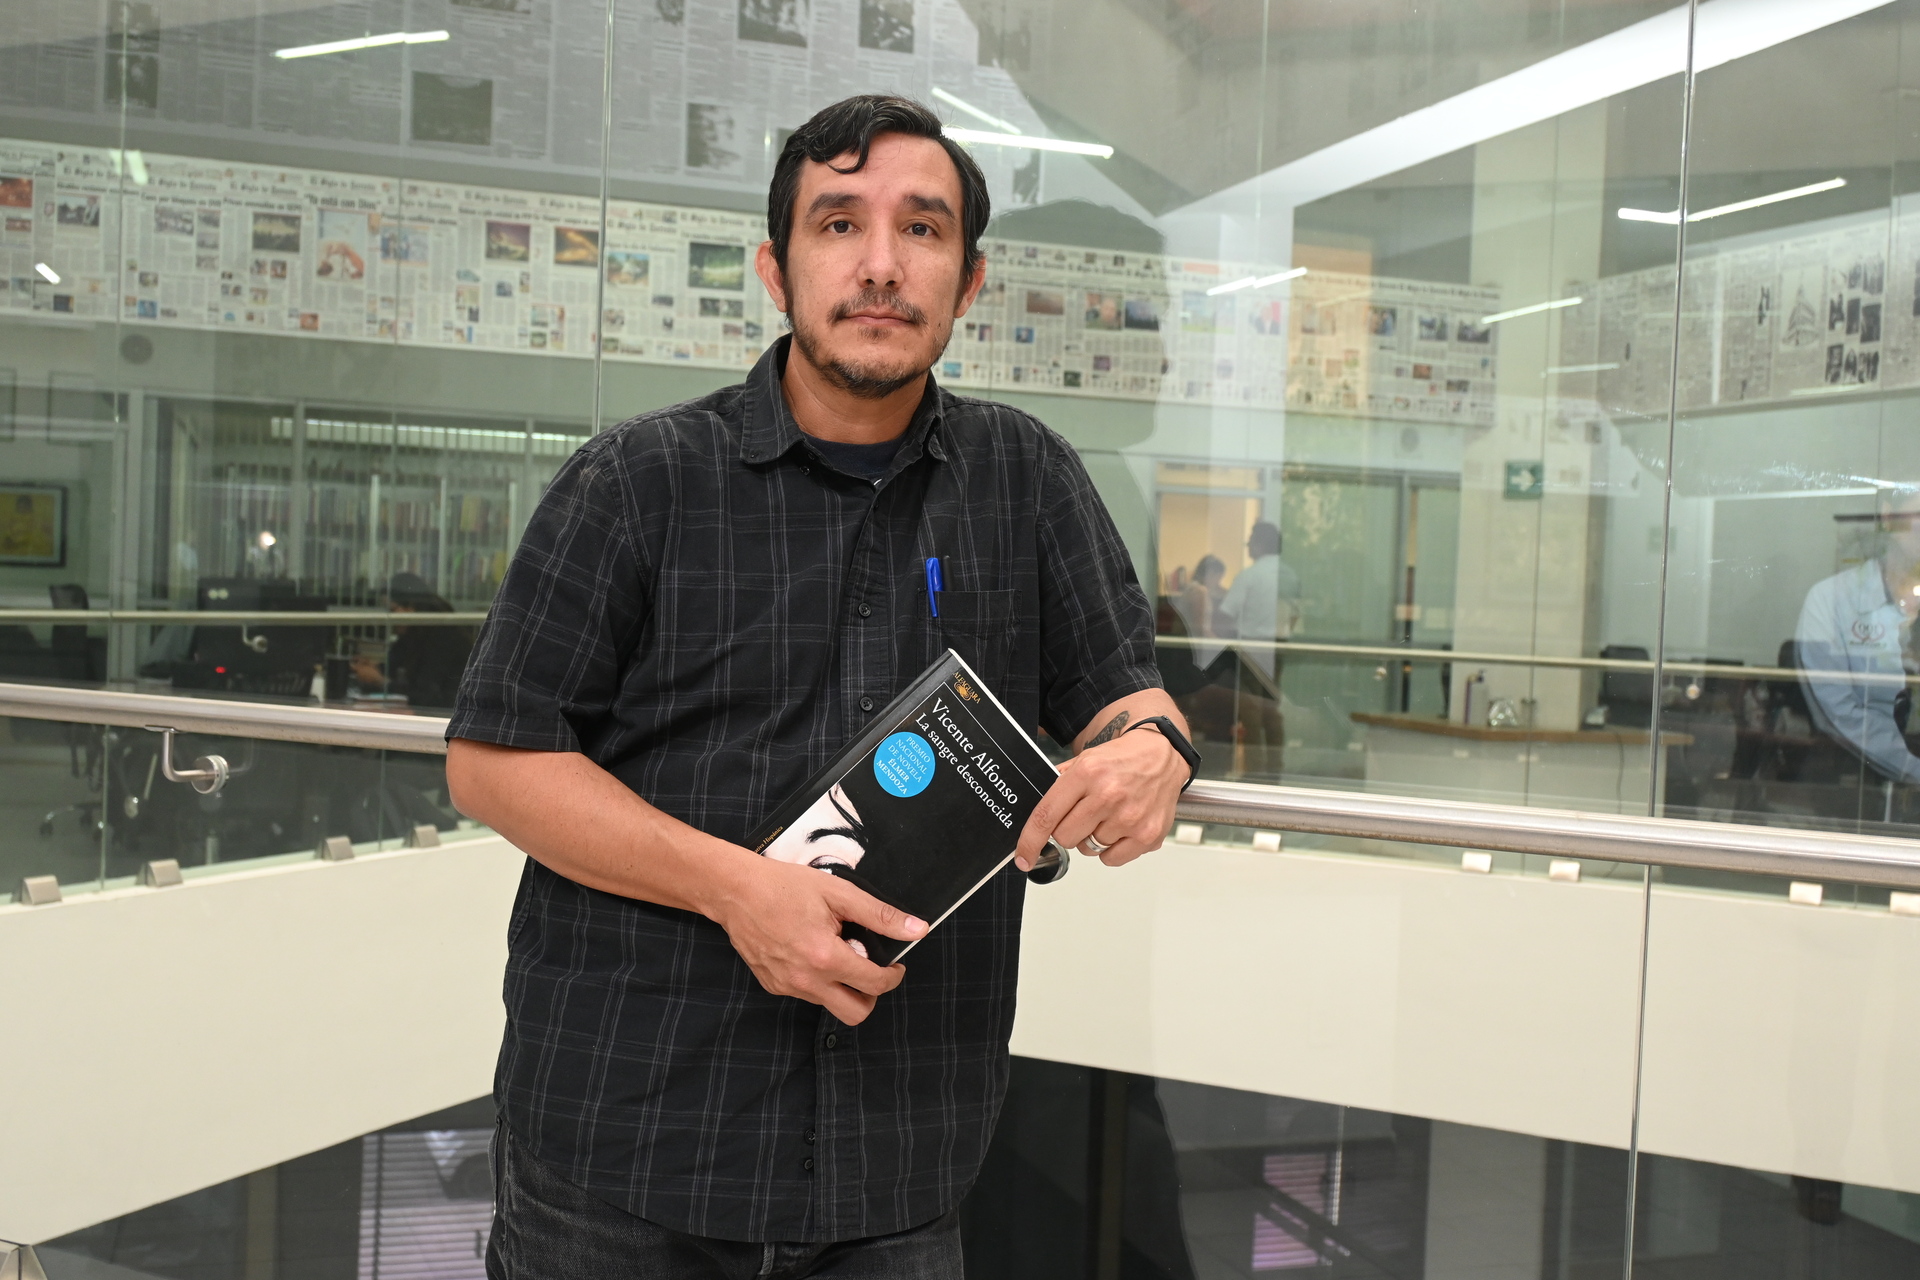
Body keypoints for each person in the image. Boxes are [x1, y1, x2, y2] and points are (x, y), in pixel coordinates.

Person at [443, 95, 1198, 1278]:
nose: (881, 264)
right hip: (625, 1146)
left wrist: (1153, 747)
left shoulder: (1027, 478)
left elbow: (1125, 694)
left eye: (923, 229)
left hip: (896, 1166)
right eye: (840, 224)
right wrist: (738, 889)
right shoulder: (638, 481)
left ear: (969, 279)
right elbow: (493, 761)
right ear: (776, 269)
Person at [1794, 485, 1920, 794]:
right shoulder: (1831, 600)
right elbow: (1839, 714)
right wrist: (1914, 770)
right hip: (1851, 787)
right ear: (1888, 518)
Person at [1217, 521, 1300, 780]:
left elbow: (1226, 614)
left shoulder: (1250, 576)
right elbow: (1295, 615)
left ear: (1261, 543)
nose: (1248, 546)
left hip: (1252, 646)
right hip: (1278, 646)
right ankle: (1275, 768)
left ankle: (1254, 771)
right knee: (1271, 708)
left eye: (1251, 540)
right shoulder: (1290, 577)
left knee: (1250, 708)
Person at [350, 572, 476, 710]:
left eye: (392, 610)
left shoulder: (442, 639)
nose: (390, 619)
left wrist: (381, 682)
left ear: (410, 607)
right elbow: (394, 663)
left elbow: (426, 695)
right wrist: (374, 668)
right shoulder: (414, 635)